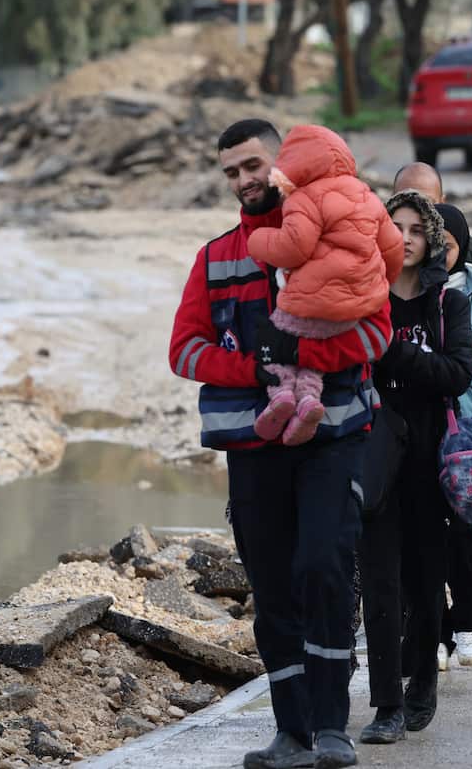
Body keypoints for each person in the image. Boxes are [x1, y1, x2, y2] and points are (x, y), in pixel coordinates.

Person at [170, 119, 394, 769]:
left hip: (334, 438)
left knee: (323, 566)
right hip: (252, 446)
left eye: (252, 166)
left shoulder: (343, 235)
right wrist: (258, 367)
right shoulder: (216, 257)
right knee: (271, 589)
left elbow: (378, 333)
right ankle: (291, 733)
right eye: (231, 172)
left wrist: (304, 354)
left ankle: (331, 727)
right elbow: (184, 351)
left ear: (284, 166)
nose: (243, 180)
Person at [357, 191, 472, 745]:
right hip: (373, 454)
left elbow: (457, 374)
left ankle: (423, 678)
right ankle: (387, 703)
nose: (403, 238)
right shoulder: (365, 298)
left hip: (431, 458)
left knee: (427, 579)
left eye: (415, 229)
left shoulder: (447, 303)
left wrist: (391, 351)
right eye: (393, 226)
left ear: (431, 239)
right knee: (380, 581)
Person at [248, 125, 403, 445]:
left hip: (311, 306)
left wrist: (258, 239)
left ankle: (282, 394)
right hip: (352, 315)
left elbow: (293, 248)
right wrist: (377, 285)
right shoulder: (367, 195)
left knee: (276, 341)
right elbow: (393, 248)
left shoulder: (303, 199)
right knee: (313, 358)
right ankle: (308, 400)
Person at [432, 202, 472, 672]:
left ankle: (470, 622)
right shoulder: (398, 289)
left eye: (447, 245)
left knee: (466, 530)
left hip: (470, 429)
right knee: (421, 531)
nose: (437, 253)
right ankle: (432, 630)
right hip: (417, 425)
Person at [393, 162, 472, 273]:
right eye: (407, 202)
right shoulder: (382, 249)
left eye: (427, 203)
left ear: (442, 202)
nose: (417, 211)